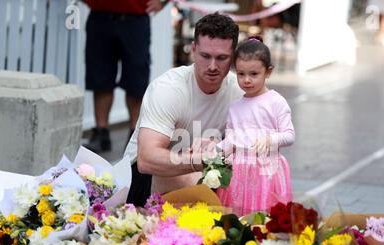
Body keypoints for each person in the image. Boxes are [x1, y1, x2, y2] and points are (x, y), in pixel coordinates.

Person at [123, 13, 243, 206]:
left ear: (234, 57)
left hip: (203, 177)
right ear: (193, 50)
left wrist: (219, 148)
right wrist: (201, 160)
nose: (213, 66)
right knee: (203, 183)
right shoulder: (168, 88)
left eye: (221, 58)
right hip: (142, 180)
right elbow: (146, 159)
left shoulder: (238, 94)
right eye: (205, 56)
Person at [216, 36, 295, 216]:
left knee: (263, 215)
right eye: (241, 74)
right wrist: (212, 153)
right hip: (238, 174)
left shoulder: (275, 101)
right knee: (237, 217)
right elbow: (231, 141)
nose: (247, 80)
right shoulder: (235, 107)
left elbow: (289, 135)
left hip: (266, 171)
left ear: (268, 72)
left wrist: (270, 139)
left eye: (254, 74)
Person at [82, 0, 165, 153]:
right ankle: (101, 133)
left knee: (136, 80)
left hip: (136, 19)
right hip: (99, 17)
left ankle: (134, 135)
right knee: (100, 78)